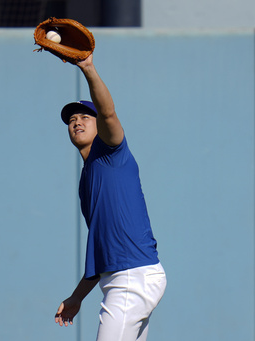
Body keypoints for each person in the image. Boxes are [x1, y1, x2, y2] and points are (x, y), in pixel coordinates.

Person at [54, 53, 166, 341]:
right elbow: (103, 251)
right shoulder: (87, 179)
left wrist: (88, 68)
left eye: (84, 117)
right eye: (72, 119)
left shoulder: (112, 153)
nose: (77, 122)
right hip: (121, 278)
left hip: (132, 277)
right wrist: (77, 297)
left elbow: (108, 114)